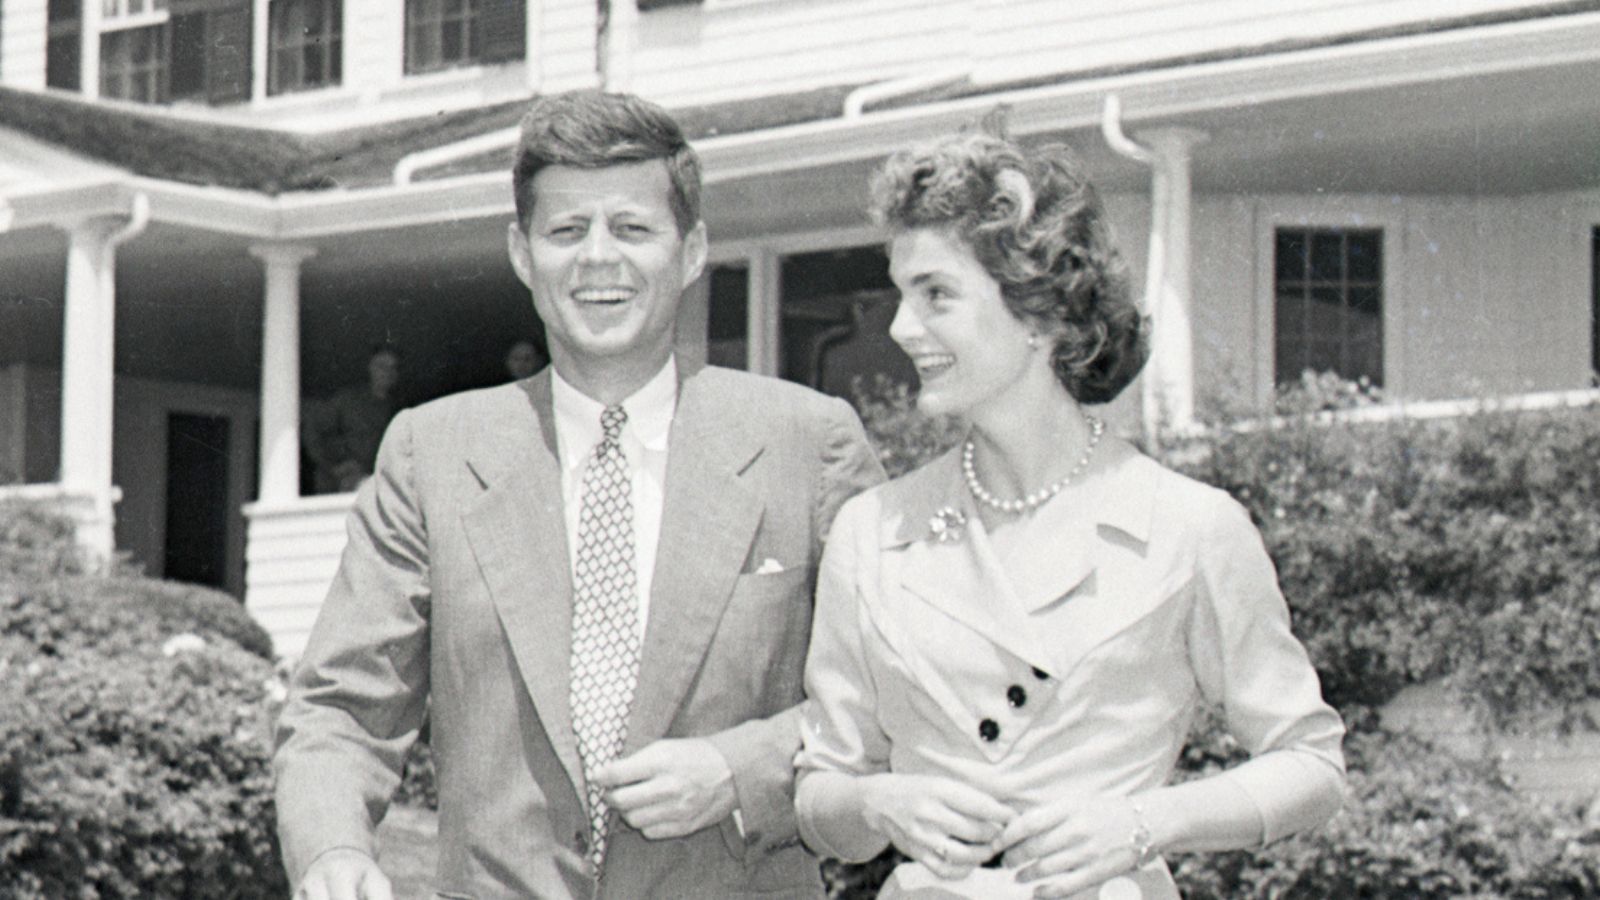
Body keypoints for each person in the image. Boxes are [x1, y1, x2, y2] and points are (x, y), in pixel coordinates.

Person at [273, 90, 885, 899]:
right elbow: (341, 709)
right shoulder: (434, 454)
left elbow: (896, 696)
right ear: (522, 253)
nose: (599, 258)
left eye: (632, 228)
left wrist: (740, 770)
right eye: (566, 231)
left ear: (692, 248)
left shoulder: (807, 444)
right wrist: (332, 851)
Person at [794, 133, 1346, 899]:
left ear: (1037, 312)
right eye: (901, 293)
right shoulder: (872, 531)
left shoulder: (1190, 525)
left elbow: (1311, 765)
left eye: (936, 294)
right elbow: (823, 793)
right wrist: (878, 803)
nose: (899, 328)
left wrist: (1147, 823)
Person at [303, 344, 403, 493]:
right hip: (338, 489)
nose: (387, 372)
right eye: (381, 365)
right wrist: (333, 467)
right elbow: (311, 432)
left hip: (378, 486)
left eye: (393, 367)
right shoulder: (347, 401)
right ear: (370, 367)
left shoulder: (399, 408)